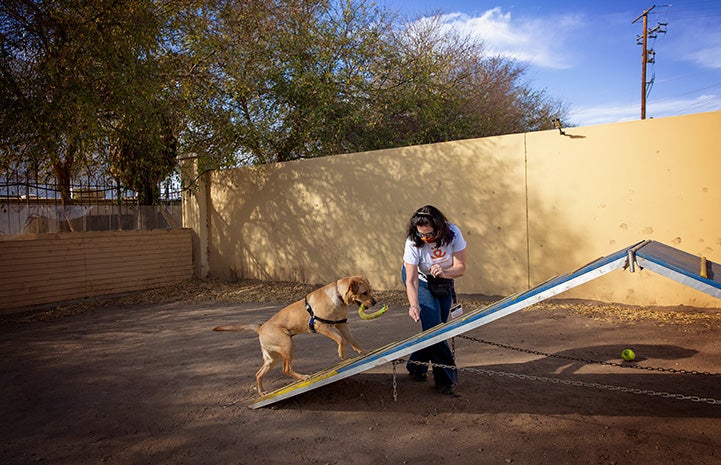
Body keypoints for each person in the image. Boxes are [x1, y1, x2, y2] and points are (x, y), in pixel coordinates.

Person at [402, 205, 467, 396]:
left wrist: (446, 273)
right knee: (435, 328)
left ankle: (416, 366)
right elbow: (411, 280)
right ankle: (445, 379)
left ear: (439, 229)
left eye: (429, 235)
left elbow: (461, 268)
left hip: (443, 280)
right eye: (420, 234)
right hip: (420, 281)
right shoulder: (413, 242)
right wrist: (413, 305)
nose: (425, 239)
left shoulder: (454, 233)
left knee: (438, 327)